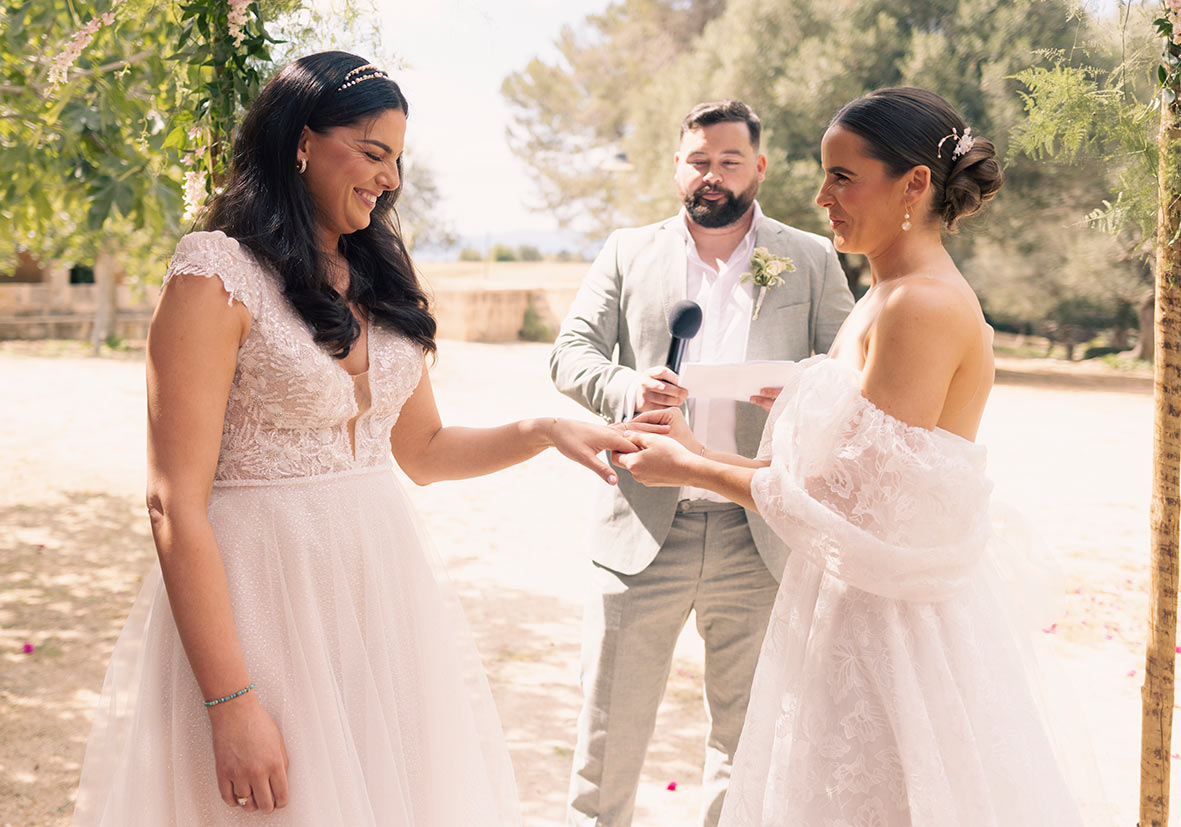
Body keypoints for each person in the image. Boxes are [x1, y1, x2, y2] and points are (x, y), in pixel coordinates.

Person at [70, 51, 640, 826]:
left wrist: (543, 428)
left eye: (397, 160)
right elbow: (173, 502)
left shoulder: (378, 275)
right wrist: (230, 701)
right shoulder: (216, 272)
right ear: (302, 141)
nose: (389, 178)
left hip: (379, 598)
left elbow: (424, 451)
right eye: (373, 152)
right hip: (260, 603)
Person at [616, 87, 1088, 825]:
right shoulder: (883, 293)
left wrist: (690, 466)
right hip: (849, 604)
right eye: (823, 175)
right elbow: (840, 462)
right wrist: (726, 432)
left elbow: (849, 505)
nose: (821, 197)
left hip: (893, 632)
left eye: (842, 177)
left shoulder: (919, 304)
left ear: (914, 183)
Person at [550, 99, 854, 826]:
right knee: (607, 738)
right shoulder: (626, 251)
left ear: (759, 167)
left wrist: (803, 387)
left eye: (728, 161)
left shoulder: (812, 256)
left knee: (746, 744)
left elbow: (853, 371)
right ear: (676, 167)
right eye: (698, 161)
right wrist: (629, 386)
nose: (711, 175)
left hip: (759, 530)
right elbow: (570, 353)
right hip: (641, 527)